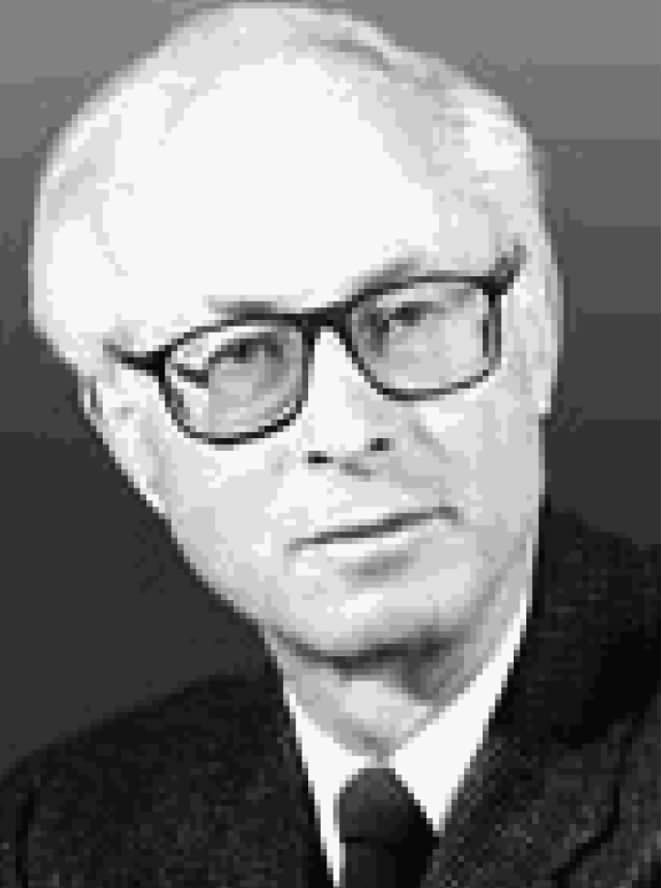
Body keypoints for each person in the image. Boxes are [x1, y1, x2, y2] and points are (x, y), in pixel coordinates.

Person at [0, 3, 658, 886]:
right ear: (131, 438)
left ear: (533, 333)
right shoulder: (55, 839)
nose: (347, 431)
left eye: (408, 316)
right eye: (242, 356)